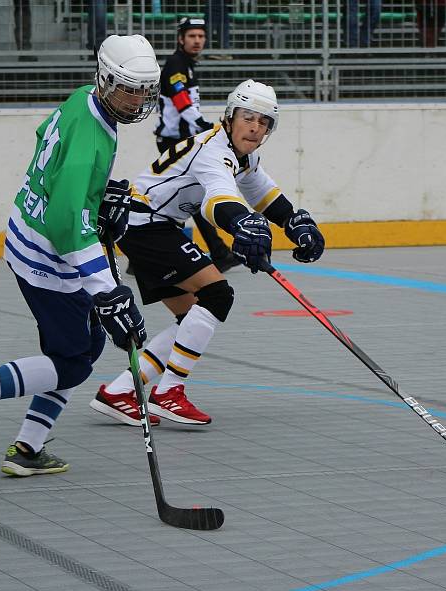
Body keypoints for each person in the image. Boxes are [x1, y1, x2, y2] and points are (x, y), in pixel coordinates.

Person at [0, 34, 160, 476]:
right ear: (107, 79)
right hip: (47, 257)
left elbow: (52, 163)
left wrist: (96, 202)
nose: (136, 100)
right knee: (72, 360)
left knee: (83, 346)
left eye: (143, 90)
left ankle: (29, 450)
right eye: (128, 88)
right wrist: (106, 290)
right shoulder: (93, 136)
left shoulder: (82, 100)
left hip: (31, 237)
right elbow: (65, 224)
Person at [90, 80, 325, 427]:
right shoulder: (214, 151)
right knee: (217, 295)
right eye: (248, 117)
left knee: (192, 319)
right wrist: (242, 223)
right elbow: (218, 198)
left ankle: (121, 391)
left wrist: (293, 222)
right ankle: (169, 392)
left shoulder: (242, 155)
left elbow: (263, 192)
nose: (255, 126)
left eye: (264, 122)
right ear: (230, 117)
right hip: (145, 224)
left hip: (151, 225)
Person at [152, 16, 238, 274]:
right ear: (181, 39)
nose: (197, 40)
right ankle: (220, 252)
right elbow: (179, 97)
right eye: (192, 36)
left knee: (180, 197)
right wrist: (200, 123)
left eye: (201, 36)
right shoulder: (177, 64)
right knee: (191, 195)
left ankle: (144, 255)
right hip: (174, 141)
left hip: (179, 139)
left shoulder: (185, 63)